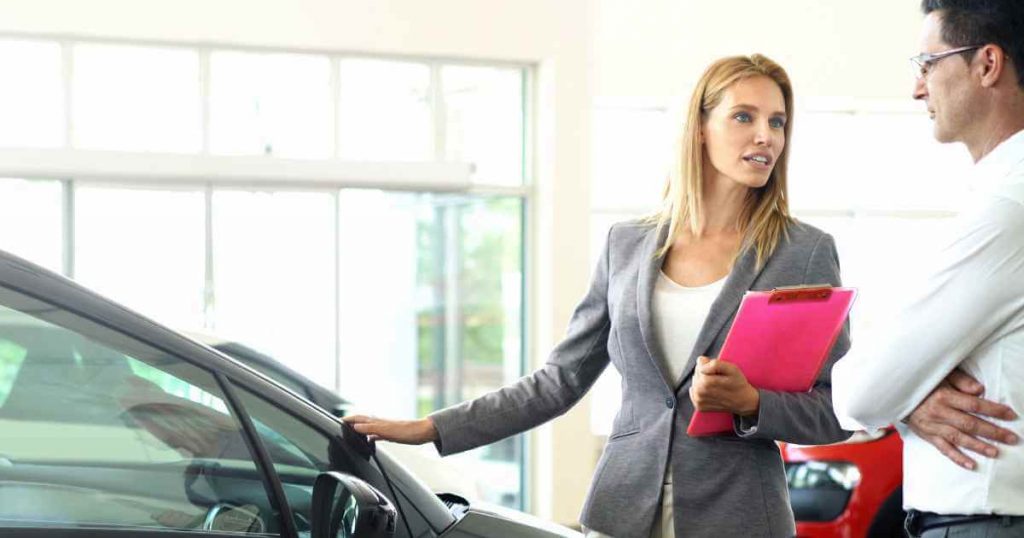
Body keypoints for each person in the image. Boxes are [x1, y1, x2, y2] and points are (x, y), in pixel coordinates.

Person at [346, 54, 852, 538]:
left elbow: (836, 410)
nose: (766, 136)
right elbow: (559, 381)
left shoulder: (803, 253)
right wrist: (432, 428)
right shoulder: (626, 245)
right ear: (699, 128)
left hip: (740, 515)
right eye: (744, 116)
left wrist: (752, 403)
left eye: (778, 122)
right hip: (622, 508)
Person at [831, 1, 1024, 537]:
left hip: (985, 521)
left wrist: (898, 393)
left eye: (927, 64)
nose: (918, 89)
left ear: (987, 64)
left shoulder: (1006, 208)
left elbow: (861, 389)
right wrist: (910, 398)